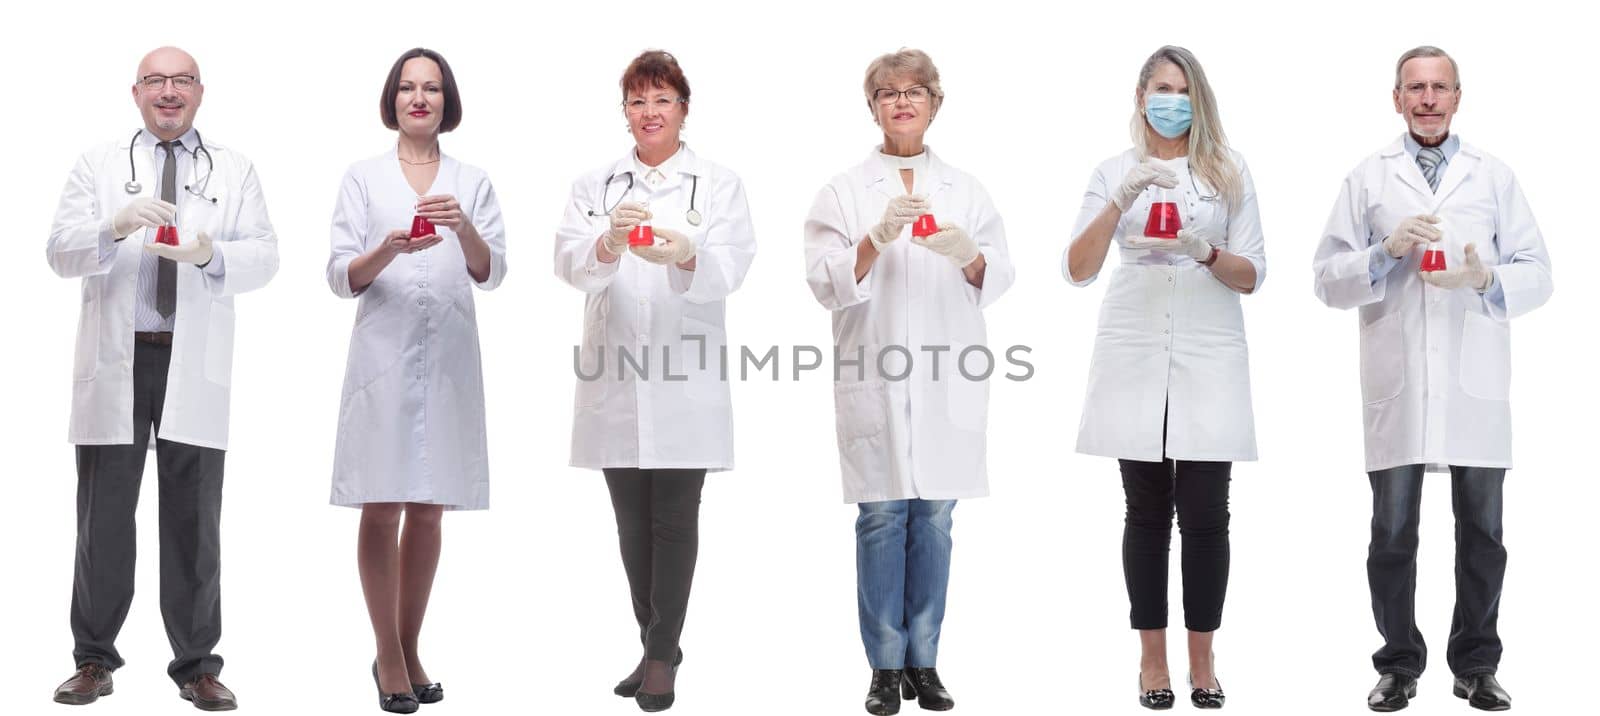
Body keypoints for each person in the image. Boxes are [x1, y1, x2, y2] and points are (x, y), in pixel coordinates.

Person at [1312, 46, 1552, 713]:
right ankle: (1398, 665)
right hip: (1400, 384)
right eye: (1414, 87)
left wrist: (1486, 278)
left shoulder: (1494, 176)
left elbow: (1540, 272)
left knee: (1483, 534)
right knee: (1391, 535)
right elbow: (1326, 280)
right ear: (1396, 98)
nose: (1426, 99)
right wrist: (1384, 254)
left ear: (1457, 96)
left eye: (1438, 87)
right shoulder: (1369, 178)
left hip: (1474, 381)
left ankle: (1476, 664)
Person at [45, 46, 279, 711]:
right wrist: (111, 227)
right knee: (103, 521)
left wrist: (210, 253)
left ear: (200, 92)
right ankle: (93, 661)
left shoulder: (234, 170)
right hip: (119, 359)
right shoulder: (98, 165)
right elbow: (58, 251)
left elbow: (265, 255)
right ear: (136, 92)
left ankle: (198, 666)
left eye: (181, 80)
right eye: (156, 80)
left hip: (192, 360)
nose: (168, 91)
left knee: (195, 522)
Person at [804, 48, 1014, 716]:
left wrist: (968, 255)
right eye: (887, 93)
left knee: (936, 523)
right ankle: (883, 667)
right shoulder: (843, 190)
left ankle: (924, 661)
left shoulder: (967, 189)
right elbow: (823, 280)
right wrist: (874, 238)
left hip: (945, 377)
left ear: (935, 103)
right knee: (881, 520)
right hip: (876, 373)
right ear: (872, 107)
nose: (901, 101)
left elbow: (1000, 275)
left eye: (914, 91)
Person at [554, 49, 755, 713]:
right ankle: (654, 642)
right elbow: (569, 262)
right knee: (630, 524)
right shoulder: (597, 185)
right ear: (626, 112)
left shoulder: (717, 184)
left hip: (684, 376)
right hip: (614, 372)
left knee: (673, 519)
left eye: (662, 100)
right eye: (638, 101)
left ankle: (662, 656)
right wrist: (605, 246)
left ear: (684, 109)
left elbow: (734, 266)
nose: (650, 113)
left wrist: (688, 252)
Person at [1064, 45, 1264, 711]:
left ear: (1197, 97)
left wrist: (1203, 250)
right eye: (1160, 88)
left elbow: (1254, 273)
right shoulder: (1112, 170)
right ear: (1141, 95)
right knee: (1146, 510)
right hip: (1135, 340)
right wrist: (1118, 201)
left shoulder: (1229, 171)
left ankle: (1202, 659)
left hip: (1209, 344)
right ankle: (1152, 659)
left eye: (1181, 89)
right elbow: (1078, 268)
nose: (1170, 100)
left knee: (1207, 513)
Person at [325, 47, 507, 714]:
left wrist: (464, 232)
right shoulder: (364, 177)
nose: (419, 98)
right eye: (408, 87)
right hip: (383, 354)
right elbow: (341, 274)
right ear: (392, 99)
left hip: (450, 354)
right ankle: (390, 654)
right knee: (381, 499)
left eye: (431, 88)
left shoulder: (472, 179)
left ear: (447, 100)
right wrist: (389, 249)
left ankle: (405, 646)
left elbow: (494, 271)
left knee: (430, 505)